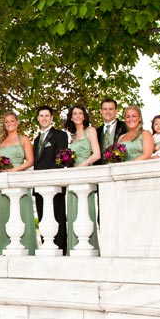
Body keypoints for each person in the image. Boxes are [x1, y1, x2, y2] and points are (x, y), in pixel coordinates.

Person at [0, 111, 38, 255]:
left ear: (17, 122)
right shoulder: (0, 142)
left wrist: (14, 170)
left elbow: (30, 161)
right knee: (2, 214)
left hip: (19, 180)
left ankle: (25, 246)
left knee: (20, 213)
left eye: (12, 121)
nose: (9, 124)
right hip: (3, 181)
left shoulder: (24, 139)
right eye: (6, 122)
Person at [65, 105, 101, 252]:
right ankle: (73, 247)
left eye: (80, 113)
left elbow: (97, 154)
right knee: (73, 212)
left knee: (86, 210)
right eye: (75, 114)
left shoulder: (90, 131)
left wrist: (82, 166)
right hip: (73, 177)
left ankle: (90, 247)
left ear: (84, 116)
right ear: (71, 117)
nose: (78, 116)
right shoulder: (72, 138)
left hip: (85, 174)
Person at [32, 106, 68, 253]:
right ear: (38, 118)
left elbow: (60, 159)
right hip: (39, 184)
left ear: (52, 118)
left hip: (54, 184)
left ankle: (60, 249)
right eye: (41, 116)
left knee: (57, 217)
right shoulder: (36, 139)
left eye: (47, 115)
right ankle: (46, 248)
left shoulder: (60, 135)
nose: (44, 118)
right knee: (42, 216)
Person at [95, 99, 127, 165]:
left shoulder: (125, 126)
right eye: (105, 109)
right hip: (101, 169)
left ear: (116, 111)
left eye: (111, 109)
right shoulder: (96, 131)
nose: (107, 112)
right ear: (101, 111)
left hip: (120, 167)